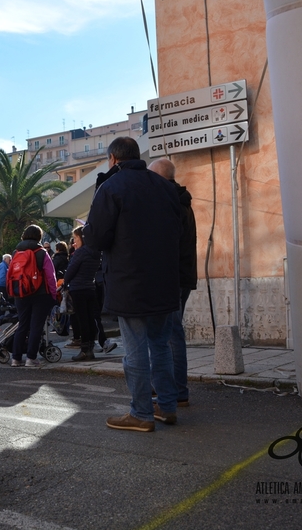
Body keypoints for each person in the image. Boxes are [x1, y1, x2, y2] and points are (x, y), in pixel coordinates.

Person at [84, 137, 181, 433]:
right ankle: (166, 406)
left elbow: (95, 238)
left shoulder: (111, 188)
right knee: (161, 346)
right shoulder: (165, 187)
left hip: (130, 281)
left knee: (136, 349)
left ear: (113, 159)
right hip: (165, 280)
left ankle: (141, 413)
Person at [149, 158, 197, 407]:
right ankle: (172, 387)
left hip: (172, 276)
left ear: (160, 178)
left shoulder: (170, 203)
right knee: (170, 333)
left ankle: (177, 390)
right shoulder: (182, 200)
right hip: (183, 275)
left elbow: (166, 243)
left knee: (171, 334)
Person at [9, 225, 57, 368]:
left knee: (22, 325)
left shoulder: (15, 252)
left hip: (21, 293)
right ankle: (31, 358)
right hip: (40, 294)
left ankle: (16, 358)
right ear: (39, 237)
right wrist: (53, 294)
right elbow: (50, 275)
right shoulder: (42, 252)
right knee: (36, 326)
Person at [63, 226, 102, 362]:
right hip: (90, 288)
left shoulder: (80, 253)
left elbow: (71, 270)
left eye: (76, 238)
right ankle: (90, 347)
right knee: (91, 319)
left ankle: (84, 350)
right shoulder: (96, 252)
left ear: (82, 238)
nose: (74, 242)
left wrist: (64, 282)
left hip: (78, 288)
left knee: (82, 320)